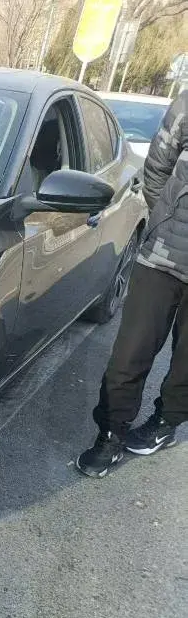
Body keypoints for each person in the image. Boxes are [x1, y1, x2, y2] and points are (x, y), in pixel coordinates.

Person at [76, 90, 188, 478]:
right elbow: (156, 168)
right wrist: (166, 221)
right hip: (162, 258)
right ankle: (110, 434)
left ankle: (165, 422)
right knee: (129, 355)